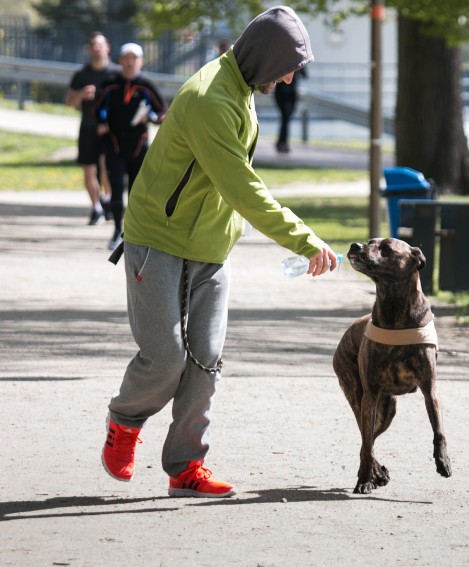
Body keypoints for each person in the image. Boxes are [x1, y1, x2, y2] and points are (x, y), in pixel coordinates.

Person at [100, 6, 339, 499]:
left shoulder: (244, 87)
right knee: (166, 359)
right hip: (158, 242)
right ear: (265, 57)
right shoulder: (212, 96)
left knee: (205, 360)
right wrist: (304, 239)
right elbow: (242, 188)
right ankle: (124, 422)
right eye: (289, 66)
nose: (291, 78)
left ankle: (185, 466)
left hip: (210, 246)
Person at [94, 43, 166, 250]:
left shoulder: (146, 85)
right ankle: (117, 229)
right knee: (116, 187)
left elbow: (162, 113)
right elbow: (96, 108)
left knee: (137, 192)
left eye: (134, 58)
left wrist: (153, 117)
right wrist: (101, 123)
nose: (129, 62)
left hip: (138, 146)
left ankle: (133, 233)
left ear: (140, 61)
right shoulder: (109, 83)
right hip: (114, 145)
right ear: (120, 60)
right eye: (126, 58)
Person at [65, 32, 121, 225]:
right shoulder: (81, 75)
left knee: (107, 169)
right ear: (89, 49)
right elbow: (69, 102)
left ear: (108, 48)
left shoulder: (116, 73)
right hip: (88, 128)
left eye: (100, 44)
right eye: (93, 45)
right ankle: (96, 207)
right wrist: (81, 95)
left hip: (109, 130)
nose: (96, 48)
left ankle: (107, 200)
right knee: (89, 170)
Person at [274, 66, 306, 153]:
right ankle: (282, 143)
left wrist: (298, 70)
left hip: (292, 94)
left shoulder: (299, 62)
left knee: (287, 118)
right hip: (281, 93)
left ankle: (281, 142)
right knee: (285, 117)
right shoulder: (283, 62)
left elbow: (305, 75)